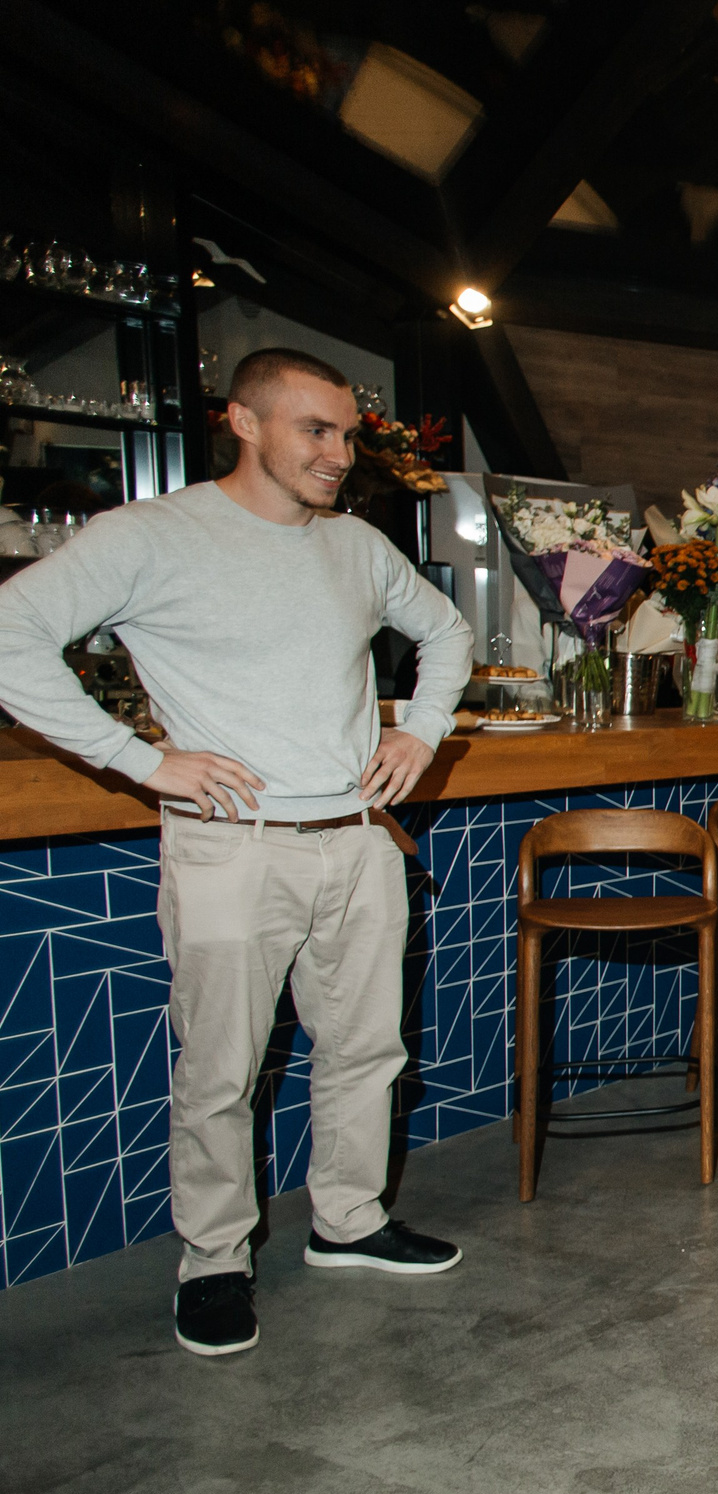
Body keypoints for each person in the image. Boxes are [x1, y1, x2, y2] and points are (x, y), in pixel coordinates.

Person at [0, 347, 473, 1356]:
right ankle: (213, 1261)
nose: (339, 454)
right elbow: (10, 633)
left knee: (367, 1052)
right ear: (244, 423)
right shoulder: (150, 535)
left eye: (348, 434)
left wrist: (419, 731)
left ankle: (348, 1223)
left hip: (356, 839)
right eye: (316, 430)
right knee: (220, 1072)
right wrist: (138, 760)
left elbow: (448, 634)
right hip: (229, 845)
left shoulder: (355, 546)